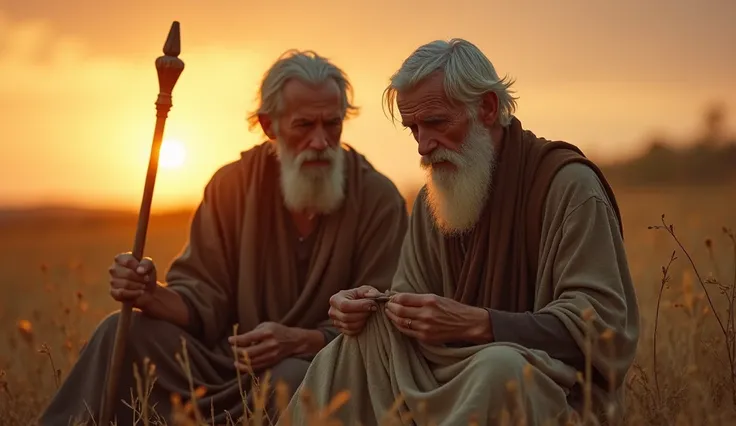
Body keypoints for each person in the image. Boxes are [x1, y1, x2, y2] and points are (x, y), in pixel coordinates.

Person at [279, 39, 640, 426]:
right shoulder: (433, 200)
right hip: (449, 374)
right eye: (413, 128)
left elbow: (604, 331)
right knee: (348, 349)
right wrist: (371, 311)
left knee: (499, 368)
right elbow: (411, 306)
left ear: (487, 108)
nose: (423, 145)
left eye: (436, 123)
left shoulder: (569, 187)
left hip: (551, 386)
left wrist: (479, 323)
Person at [39, 49, 409, 426]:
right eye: (304, 125)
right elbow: (203, 297)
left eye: (332, 124)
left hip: (322, 363)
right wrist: (152, 293)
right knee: (120, 330)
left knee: (292, 381)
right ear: (269, 125)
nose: (320, 141)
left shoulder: (378, 198)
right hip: (226, 364)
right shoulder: (231, 186)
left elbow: (386, 315)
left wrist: (302, 340)